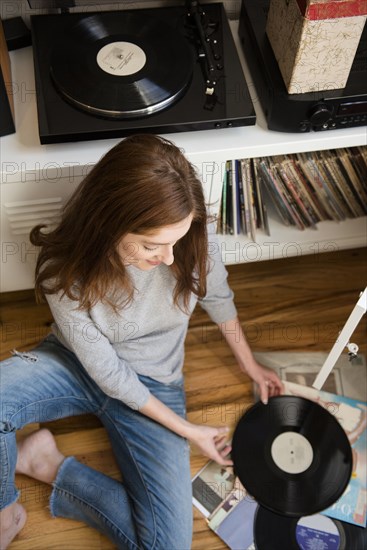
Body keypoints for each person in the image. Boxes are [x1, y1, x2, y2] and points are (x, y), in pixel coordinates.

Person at [0, 134, 282, 549]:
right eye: (153, 245)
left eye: (177, 241)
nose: (169, 258)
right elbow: (107, 373)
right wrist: (190, 431)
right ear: (110, 223)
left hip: (154, 381)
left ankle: (49, 463)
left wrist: (249, 363)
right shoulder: (66, 270)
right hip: (74, 364)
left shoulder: (192, 241)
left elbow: (218, 297)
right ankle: (6, 514)